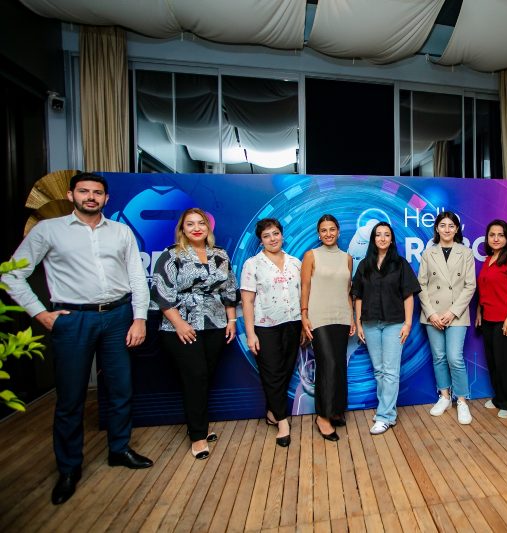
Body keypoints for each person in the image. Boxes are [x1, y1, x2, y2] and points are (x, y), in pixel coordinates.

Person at [2, 172, 153, 505]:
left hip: (117, 316)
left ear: (106, 198)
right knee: (70, 397)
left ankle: (119, 449)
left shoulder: (121, 231)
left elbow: (137, 277)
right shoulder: (48, 230)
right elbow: (12, 274)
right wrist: (40, 313)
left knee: (121, 389)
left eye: (97, 192)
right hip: (73, 320)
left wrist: (139, 318)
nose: (91, 197)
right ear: (71, 195)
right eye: (84, 191)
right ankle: (69, 468)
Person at [151, 208, 239, 460]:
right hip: (181, 327)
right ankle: (198, 436)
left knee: (205, 377)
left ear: (208, 228)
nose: (196, 228)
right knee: (195, 377)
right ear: (182, 229)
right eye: (190, 224)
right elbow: (161, 294)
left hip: (214, 324)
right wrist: (179, 324)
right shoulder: (171, 255)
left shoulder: (220, 254)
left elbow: (229, 290)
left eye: (201, 223)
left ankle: (197, 424)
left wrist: (232, 320)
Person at [352, 222, 420, 435]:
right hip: (370, 323)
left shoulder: (400, 264)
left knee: (390, 371)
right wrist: (359, 323)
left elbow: (408, 295)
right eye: (378, 235)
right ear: (373, 239)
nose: (382, 238)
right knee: (379, 370)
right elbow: (358, 296)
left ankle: (384, 416)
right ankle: (387, 411)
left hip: (394, 323)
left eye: (386, 235)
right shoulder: (364, 265)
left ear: (391, 239)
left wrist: (408, 323)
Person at [240, 218, 302, 448]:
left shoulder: (295, 263)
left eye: (275, 233)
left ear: (282, 235)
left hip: (293, 323)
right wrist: (250, 334)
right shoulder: (252, 264)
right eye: (266, 236)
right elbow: (247, 301)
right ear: (260, 240)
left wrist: (304, 324)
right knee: (272, 373)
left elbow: (302, 295)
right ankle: (282, 422)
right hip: (265, 327)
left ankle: (271, 412)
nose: (272, 239)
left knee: (285, 371)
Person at [301, 214, 356, 441]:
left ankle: (335, 410)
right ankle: (322, 416)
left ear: (338, 231)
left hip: (342, 316)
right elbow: (305, 286)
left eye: (332, 229)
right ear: (319, 234)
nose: (328, 234)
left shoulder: (347, 258)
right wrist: (304, 315)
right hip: (318, 316)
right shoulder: (311, 255)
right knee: (328, 364)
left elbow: (348, 290)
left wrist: (352, 317)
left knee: (339, 364)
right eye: (323, 230)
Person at [418, 211, 477, 424]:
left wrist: (452, 312)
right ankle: (444, 396)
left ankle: (461, 400)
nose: (447, 229)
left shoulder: (466, 253)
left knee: (454, 357)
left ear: (457, 229)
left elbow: (470, 285)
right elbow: (421, 285)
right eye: (443, 225)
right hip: (433, 314)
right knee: (439, 357)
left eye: (451, 226)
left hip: (457, 314)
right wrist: (431, 313)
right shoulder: (428, 253)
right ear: (437, 228)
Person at [477, 220, 507, 419]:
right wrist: (479, 312)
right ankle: (499, 398)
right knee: (494, 361)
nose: (496, 238)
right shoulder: (488, 259)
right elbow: (484, 289)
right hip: (489, 318)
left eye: (500, 235)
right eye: (492, 235)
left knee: (505, 363)